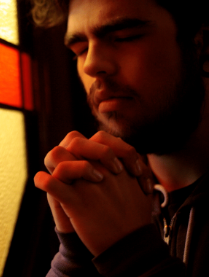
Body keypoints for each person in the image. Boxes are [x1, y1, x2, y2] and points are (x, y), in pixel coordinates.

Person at [32, 0, 209, 276]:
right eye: (80, 50)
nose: (91, 64)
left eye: (125, 38)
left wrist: (132, 255)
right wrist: (74, 256)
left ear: (201, 42)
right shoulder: (94, 197)